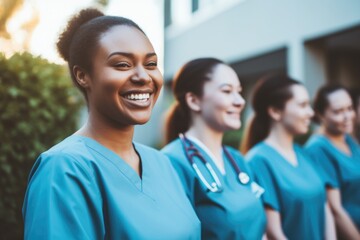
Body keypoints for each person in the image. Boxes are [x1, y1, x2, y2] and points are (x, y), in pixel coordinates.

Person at [22, 8, 200, 239]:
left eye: (150, 64)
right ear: (82, 76)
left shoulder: (161, 163)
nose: (143, 76)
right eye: (122, 65)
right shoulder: (65, 169)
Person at [161, 58, 266, 239]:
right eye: (227, 91)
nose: (240, 101)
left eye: (239, 92)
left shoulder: (237, 160)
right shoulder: (171, 162)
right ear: (194, 100)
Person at [242, 75, 335, 240]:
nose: (310, 113)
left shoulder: (305, 154)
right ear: (275, 112)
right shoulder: (258, 161)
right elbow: (274, 233)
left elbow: (325, 205)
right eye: (302, 105)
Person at [305, 84, 360, 239]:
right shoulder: (318, 149)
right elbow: (335, 210)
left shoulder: (348, 140)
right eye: (338, 111)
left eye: (350, 108)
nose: (347, 116)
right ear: (321, 115)